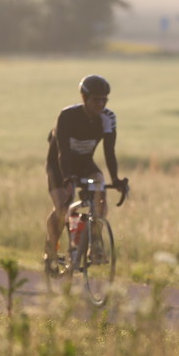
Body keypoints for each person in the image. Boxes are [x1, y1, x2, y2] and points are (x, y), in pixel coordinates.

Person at [44, 74, 126, 269]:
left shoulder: (108, 118)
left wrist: (115, 178)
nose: (101, 104)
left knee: (100, 190)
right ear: (84, 99)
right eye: (96, 100)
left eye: (104, 100)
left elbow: (109, 150)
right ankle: (51, 247)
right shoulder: (67, 116)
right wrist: (67, 178)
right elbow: (62, 151)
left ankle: (95, 241)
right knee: (63, 207)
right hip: (59, 164)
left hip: (85, 163)